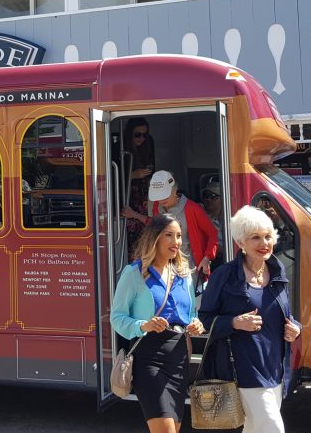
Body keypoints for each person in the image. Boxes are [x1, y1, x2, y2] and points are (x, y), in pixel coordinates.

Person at [198, 205, 301, 433]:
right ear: (241, 243)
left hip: (275, 369)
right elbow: (205, 318)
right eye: (255, 237)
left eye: (267, 236)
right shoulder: (224, 275)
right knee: (273, 428)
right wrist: (234, 323)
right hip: (243, 370)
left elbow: (286, 315)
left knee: (255, 429)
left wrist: (296, 328)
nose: (264, 243)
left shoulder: (277, 271)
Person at [110, 214, 206, 433]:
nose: (176, 242)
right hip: (149, 358)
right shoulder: (134, 273)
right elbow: (117, 317)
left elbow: (191, 313)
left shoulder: (184, 275)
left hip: (179, 358)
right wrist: (143, 325)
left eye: (179, 236)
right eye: (169, 235)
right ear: (155, 238)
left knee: (174, 427)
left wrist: (196, 323)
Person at [124, 171, 218, 277]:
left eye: (165, 195)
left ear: (175, 191)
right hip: (162, 267)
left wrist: (207, 258)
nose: (161, 200)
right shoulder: (157, 206)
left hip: (188, 269)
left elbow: (213, 233)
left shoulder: (192, 208)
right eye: (158, 196)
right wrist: (134, 214)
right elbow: (154, 224)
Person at [121, 117, 155, 249]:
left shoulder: (147, 149)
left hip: (145, 200)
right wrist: (133, 175)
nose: (141, 138)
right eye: (137, 134)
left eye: (145, 135)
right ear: (130, 134)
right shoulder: (120, 150)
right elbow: (110, 178)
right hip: (129, 199)